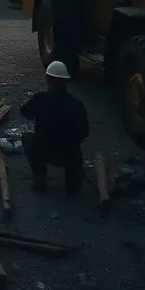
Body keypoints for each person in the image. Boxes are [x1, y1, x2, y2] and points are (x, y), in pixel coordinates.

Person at [20, 60, 90, 196]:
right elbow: (84, 131)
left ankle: (40, 178)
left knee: (27, 138)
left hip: (43, 150)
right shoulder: (77, 105)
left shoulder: (40, 99)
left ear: (48, 79)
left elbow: (24, 111)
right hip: (68, 154)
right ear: (66, 81)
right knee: (76, 156)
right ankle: (72, 182)